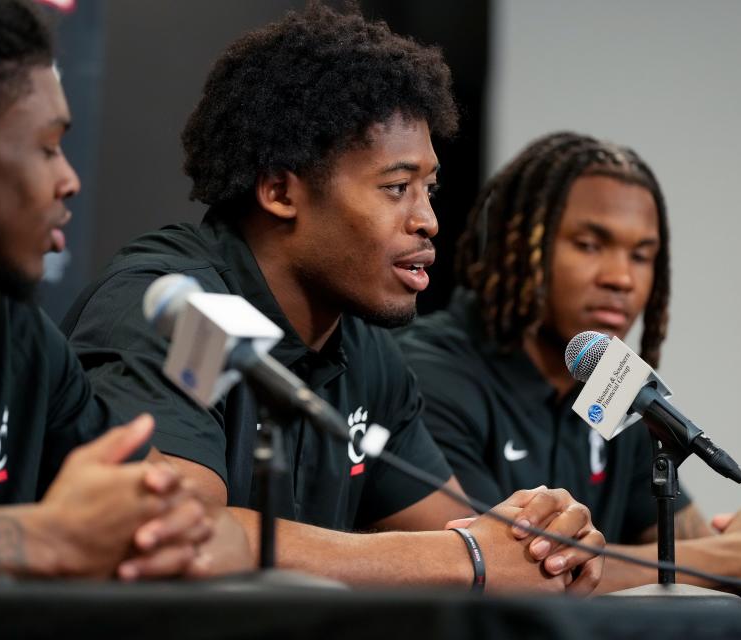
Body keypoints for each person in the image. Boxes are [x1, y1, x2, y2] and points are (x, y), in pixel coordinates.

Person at [64, 4, 604, 592]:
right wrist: (470, 557)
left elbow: (461, 533)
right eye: (396, 188)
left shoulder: (366, 349)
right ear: (279, 191)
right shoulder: (173, 309)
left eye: (429, 190)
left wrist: (541, 545)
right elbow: (181, 535)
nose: (427, 220)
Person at [0, 0, 250, 579]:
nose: (69, 179)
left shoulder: (16, 335)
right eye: (47, 147)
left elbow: (209, 531)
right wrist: (29, 540)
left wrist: (171, 533)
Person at [398, 131, 741, 593]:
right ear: (519, 241)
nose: (621, 278)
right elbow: (507, 570)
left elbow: (689, 540)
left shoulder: (612, 382)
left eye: (641, 255)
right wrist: (734, 559)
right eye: (590, 245)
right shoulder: (428, 373)